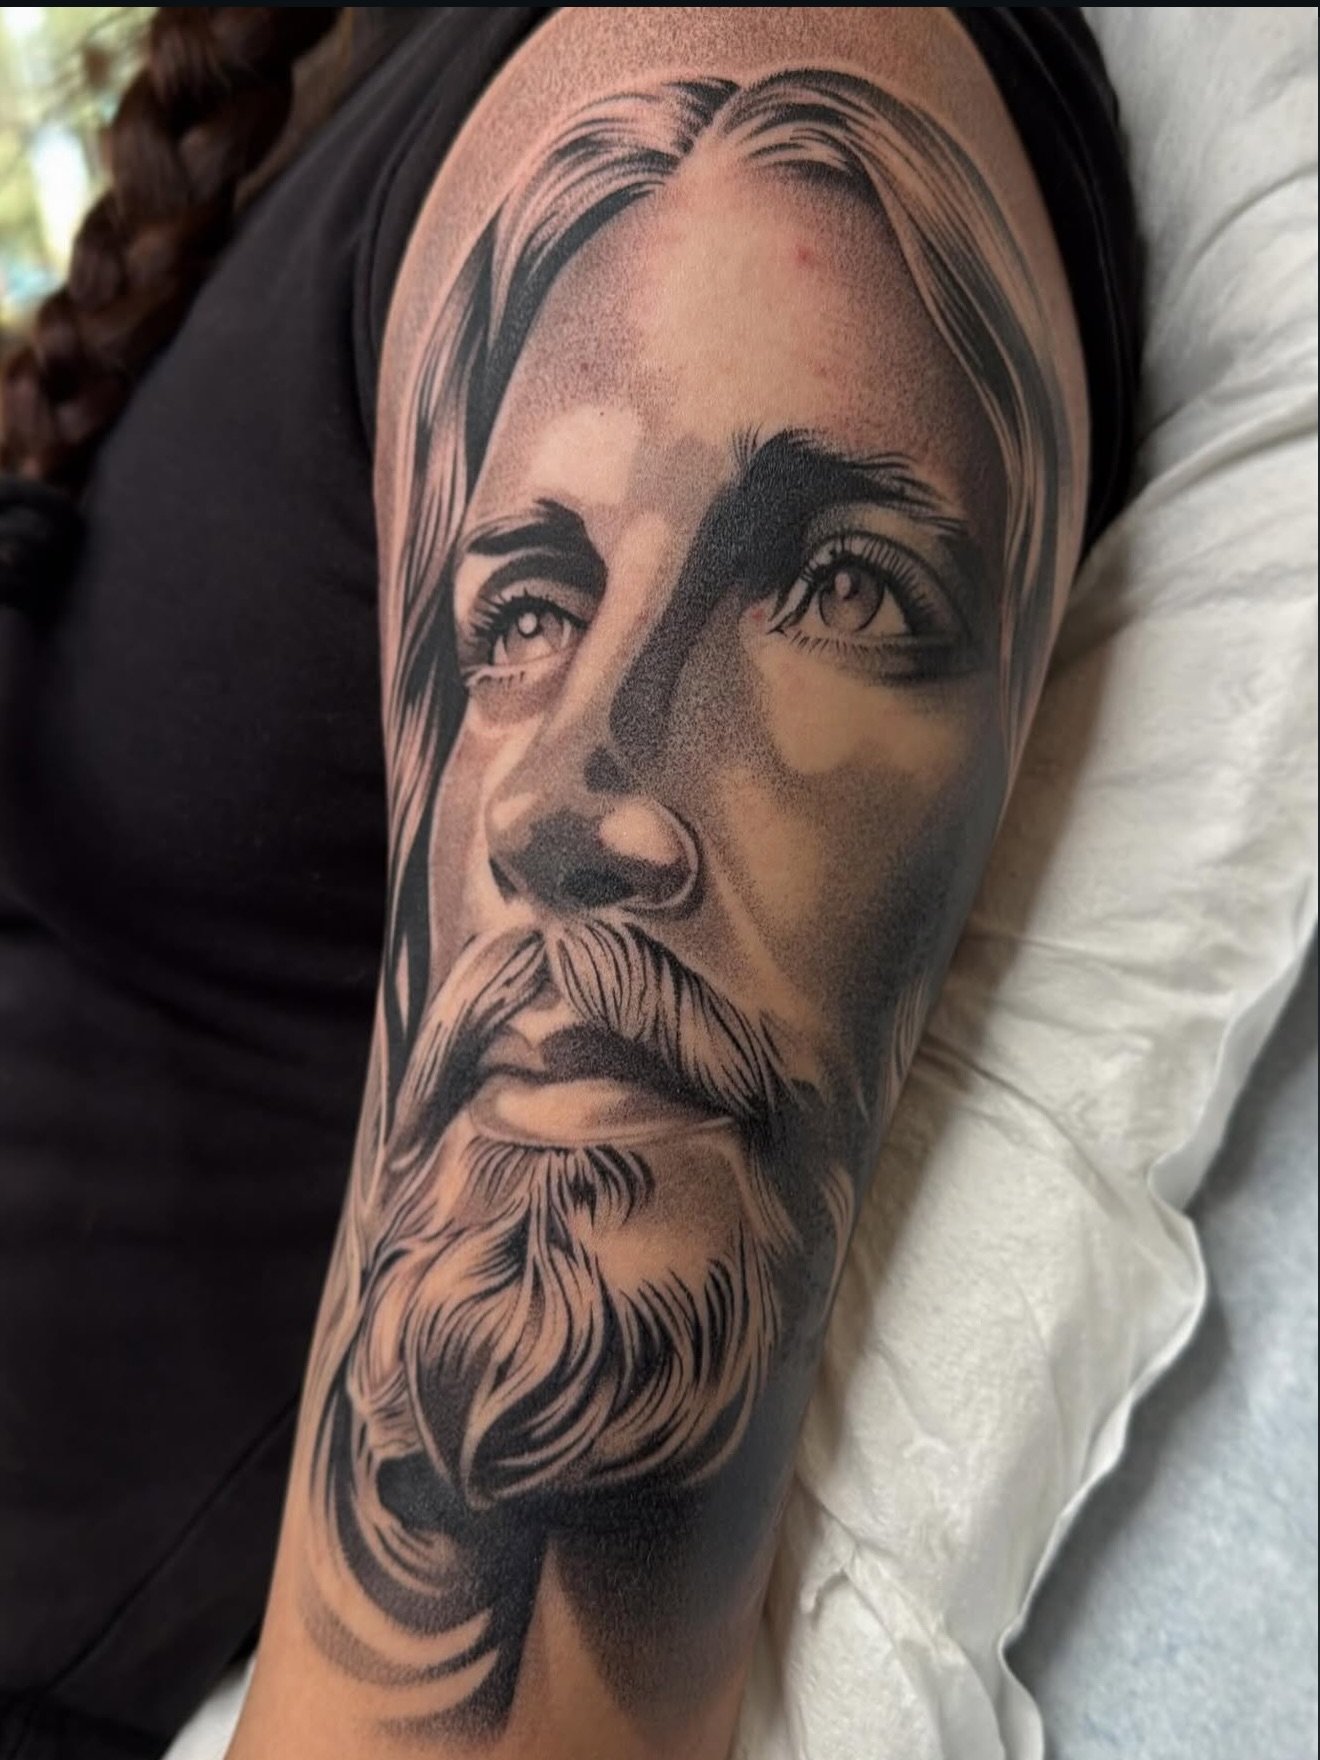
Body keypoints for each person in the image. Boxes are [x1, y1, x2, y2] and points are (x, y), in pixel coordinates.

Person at [0, 11, 1138, 1760]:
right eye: (527, 611)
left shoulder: (764, 47)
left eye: (832, 587)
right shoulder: (359, 70)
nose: (569, 803)